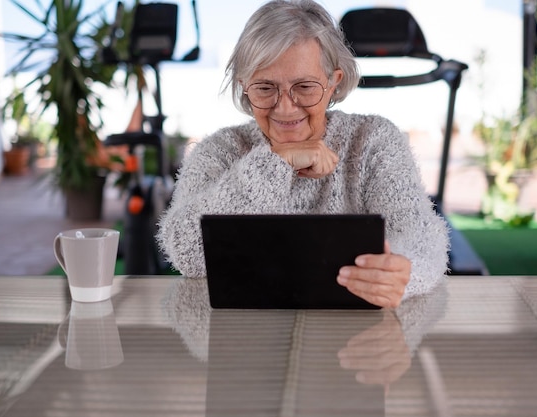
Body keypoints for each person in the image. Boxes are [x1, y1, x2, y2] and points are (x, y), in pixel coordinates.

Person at [157, 0, 449, 308]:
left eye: (305, 87)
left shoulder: (374, 140)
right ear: (244, 87)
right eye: (265, 88)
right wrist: (276, 162)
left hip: (351, 334)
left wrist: (402, 271)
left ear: (333, 82)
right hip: (247, 333)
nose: (285, 108)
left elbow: (424, 241)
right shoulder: (220, 150)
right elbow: (186, 254)